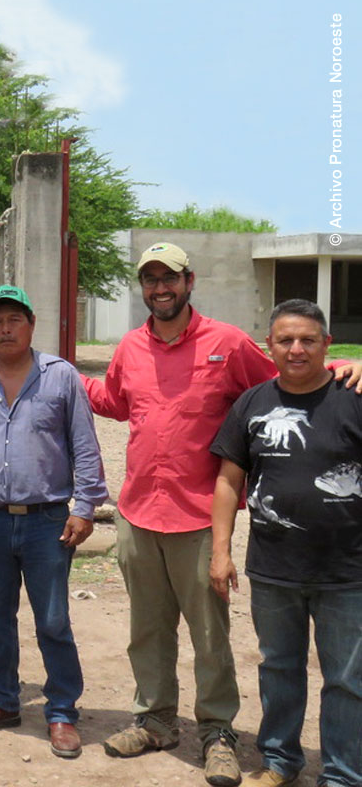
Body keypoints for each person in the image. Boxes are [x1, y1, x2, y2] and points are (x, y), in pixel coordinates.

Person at [84, 242, 278, 786]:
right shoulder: (130, 346)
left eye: (169, 277)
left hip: (200, 518)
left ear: (189, 281)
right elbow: (115, 402)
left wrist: (338, 372)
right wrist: (56, 375)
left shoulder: (227, 343)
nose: (160, 288)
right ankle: (155, 721)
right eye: (150, 279)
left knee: (209, 636)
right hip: (139, 513)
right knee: (147, 630)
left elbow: (276, 386)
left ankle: (217, 733)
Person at [0, 284, 107, 760]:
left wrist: (84, 507)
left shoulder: (61, 377)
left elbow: (85, 446)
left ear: (31, 325)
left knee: (52, 620)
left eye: (15, 319)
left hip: (46, 522)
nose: (6, 329)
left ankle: (61, 711)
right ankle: (2, 701)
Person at [208, 299, 362, 787]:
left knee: (347, 680)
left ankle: (342, 775)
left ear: (327, 345)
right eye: (286, 340)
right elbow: (228, 481)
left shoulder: (354, 396)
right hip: (274, 568)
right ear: (268, 346)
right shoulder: (252, 404)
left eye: (308, 340)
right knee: (278, 668)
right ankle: (279, 761)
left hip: (348, 571)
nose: (297, 349)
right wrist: (220, 552)